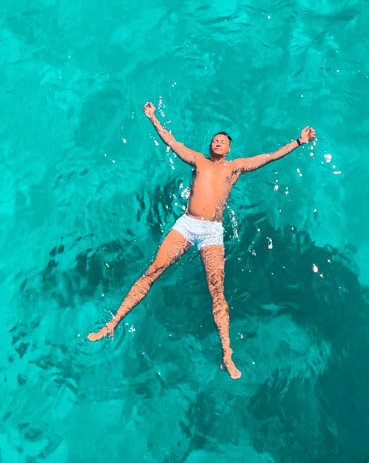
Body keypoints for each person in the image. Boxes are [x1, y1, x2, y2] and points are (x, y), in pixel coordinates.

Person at [88, 102, 316, 379]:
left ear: (229, 149)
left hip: (212, 232)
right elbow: (172, 142)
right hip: (186, 225)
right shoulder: (198, 160)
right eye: (215, 139)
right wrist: (153, 118)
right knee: (152, 272)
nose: (218, 142)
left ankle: (227, 354)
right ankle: (111, 324)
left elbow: (269, 156)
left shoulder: (236, 167)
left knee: (217, 291)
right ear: (209, 145)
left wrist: (298, 142)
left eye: (223, 141)